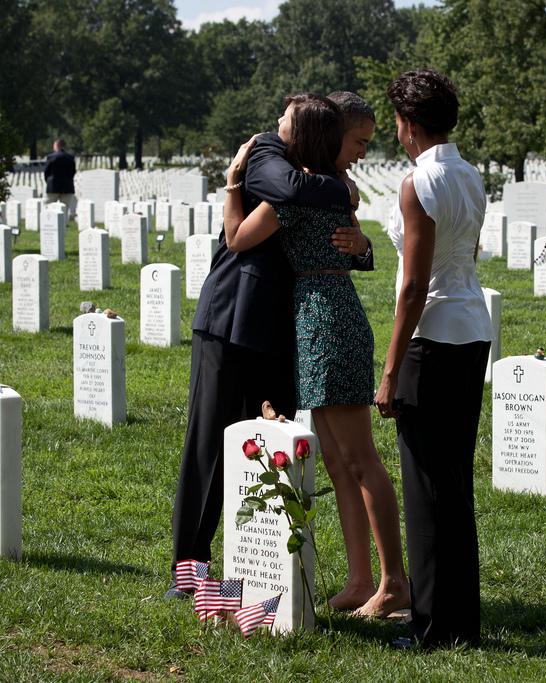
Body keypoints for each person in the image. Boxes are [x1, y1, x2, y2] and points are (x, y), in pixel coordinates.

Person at [165, 98, 374, 600]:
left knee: (273, 445)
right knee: (209, 444)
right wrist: (338, 187)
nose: (276, 125)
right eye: (358, 143)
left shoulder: (314, 173)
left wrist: (359, 238)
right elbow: (285, 194)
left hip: (289, 327)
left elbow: (342, 246)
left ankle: (260, 566)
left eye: (285, 119)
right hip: (233, 315)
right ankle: (190, 566)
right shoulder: (263, 152)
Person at [223, 94, 410, 618]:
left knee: (359, 458)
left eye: (285, 126)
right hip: (321, 315)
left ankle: (394, 582)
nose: (276, 134)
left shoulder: (295, 196)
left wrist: (234, 184)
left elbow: (236, 238)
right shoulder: (332, 189)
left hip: (325, 321)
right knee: (335, 459)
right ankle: (358, 581)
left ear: (301, 138)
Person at [374, 69, 492, 647]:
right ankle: (459, 622)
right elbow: (465, 256)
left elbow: (414, 285)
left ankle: (429, 626)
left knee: (424, 490)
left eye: (397, 122)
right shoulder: (472, 176)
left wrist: (391, 368)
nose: (397, 132)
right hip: (472, 330)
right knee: (454, 481)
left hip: (432, 335)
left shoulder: (417, 182)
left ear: (411, 125)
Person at [43, 139, 76, 208]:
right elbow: (73, 172)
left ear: (57, 145)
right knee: (65, 209)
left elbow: (46, 172)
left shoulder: (51, 157)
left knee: (48, 208)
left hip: (53, 187)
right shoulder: (70, 158)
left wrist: (49, 182)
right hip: (67, 186)